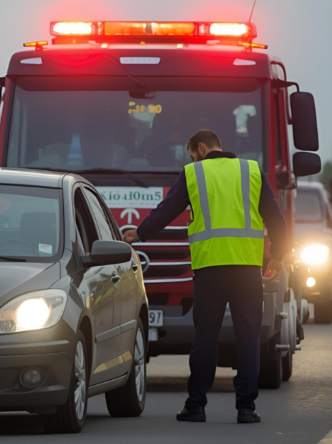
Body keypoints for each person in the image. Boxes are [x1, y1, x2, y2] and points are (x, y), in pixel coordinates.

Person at [123, 129, 288, 424]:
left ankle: (196, 405)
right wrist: (278, 256)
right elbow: (275, 217)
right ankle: (246, 408)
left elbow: (167, 209)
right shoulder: (251, 171)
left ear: (200, 148)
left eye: (192, 154)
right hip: (247, 270)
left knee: (205, 340)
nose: (193, 159)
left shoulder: (193, 173)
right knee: (248, 338)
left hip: (210, 271)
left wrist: (140, 232)